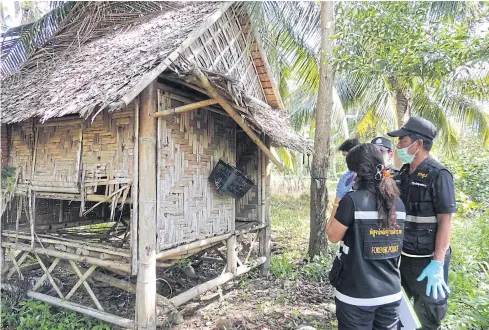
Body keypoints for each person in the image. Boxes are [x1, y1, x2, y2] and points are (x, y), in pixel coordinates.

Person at [326, 144, 406, 330]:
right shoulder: (398, 203)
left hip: (356, 295)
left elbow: (332, 235)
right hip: (391, 294)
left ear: (355, 173)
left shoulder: (352, 201)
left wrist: (339, 199)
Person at [387, 117, 457, 330]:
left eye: (402, 140)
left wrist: (438, 261)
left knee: (428, 315)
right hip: (402, 258)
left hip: (428, 261)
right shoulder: (402, 176)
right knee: (398, 313)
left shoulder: (439, 175)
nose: (398, 145)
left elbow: (446, 221)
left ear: (417, 144)